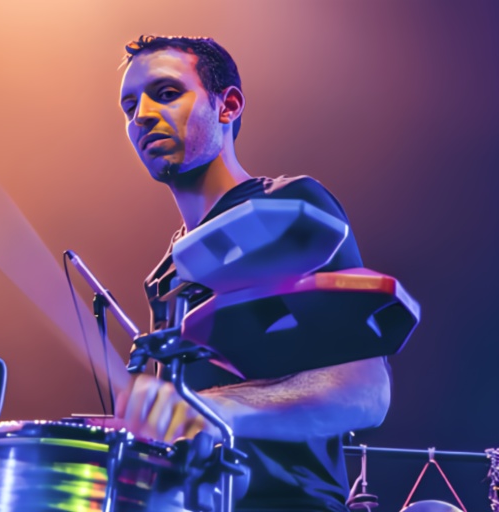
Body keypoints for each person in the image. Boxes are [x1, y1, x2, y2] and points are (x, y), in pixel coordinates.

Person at [112, 35, 393, 511]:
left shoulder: (288, 208)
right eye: (129, 105)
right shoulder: (165, 275)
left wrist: (212, 408)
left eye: (166, 93)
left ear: (228, 106)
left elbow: (366, 390)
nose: (140, 115)